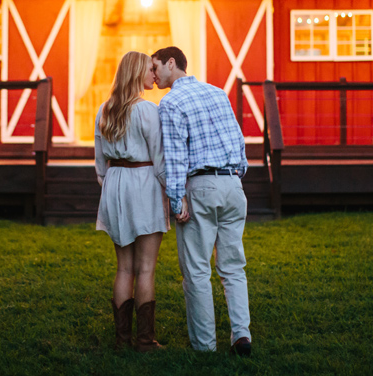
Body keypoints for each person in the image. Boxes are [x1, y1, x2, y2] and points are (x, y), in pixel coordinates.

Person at [151, 46, 253, 356]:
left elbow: (176, 155)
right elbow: (238, 139)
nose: (153, 75)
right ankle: (241, 335)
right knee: (233, 267)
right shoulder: (218, 92)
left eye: (155, 67)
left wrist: (176, 197)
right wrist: (236, 174)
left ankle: (205, 346)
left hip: (201, 185)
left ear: (172, 63)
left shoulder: (171, 102)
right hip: (233, 184)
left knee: (196, 270)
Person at [94, 51, 169, 352]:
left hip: (115, 183)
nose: (154, 74)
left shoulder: (104, 110)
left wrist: (112, 183)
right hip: (144, 181)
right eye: (149, 69)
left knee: (124, 267)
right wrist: (173, 193)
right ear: (137, 73)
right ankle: (145, 341)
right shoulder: (148, 110)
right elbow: (160, 162)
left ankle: (122, 340)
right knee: (146, 267)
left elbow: (100, 166)